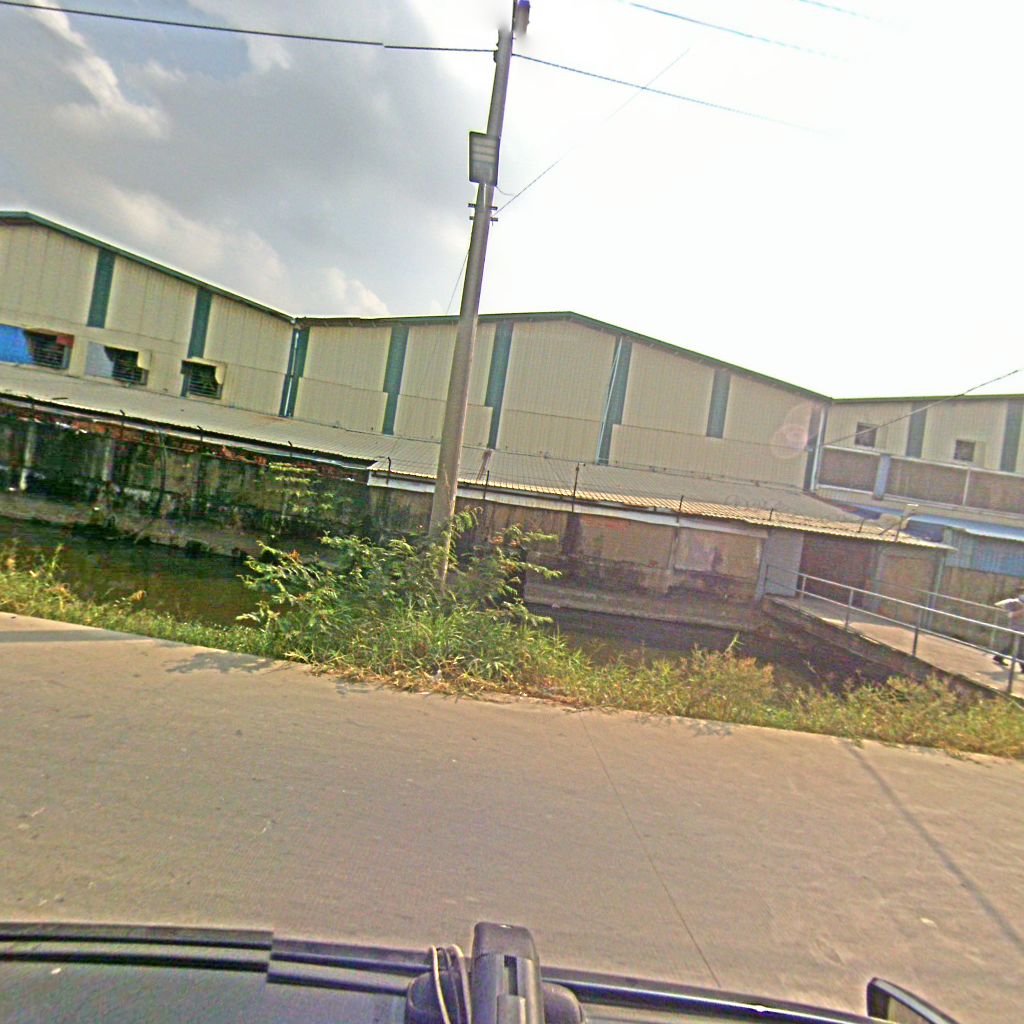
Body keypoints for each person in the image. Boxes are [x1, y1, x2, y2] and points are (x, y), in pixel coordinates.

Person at [993, 593, 1024, 667]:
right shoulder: (1013, 604)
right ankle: (1023, 666)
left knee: (1012, 646)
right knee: (1020, 648)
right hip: (1016, 629)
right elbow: (1011, 615)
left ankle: (999, 657)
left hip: (1020, 629)